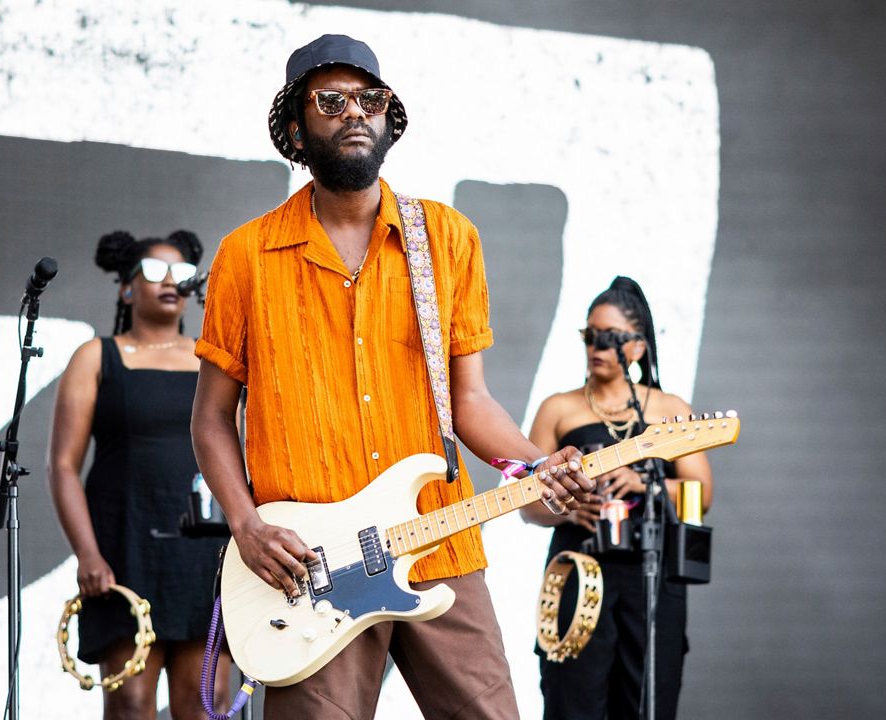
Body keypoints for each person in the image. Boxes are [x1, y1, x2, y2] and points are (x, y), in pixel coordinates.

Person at [190, 34, 594, 718]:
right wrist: (246, 524)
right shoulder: (246, 256)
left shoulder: (447, 239)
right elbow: (209, 420)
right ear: (296, 126)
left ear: (387, 120)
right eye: (332, 100)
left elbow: (469, 402)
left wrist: (534, 463)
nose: (355, 112)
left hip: (437, 543)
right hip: (311, 569)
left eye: (370, 99)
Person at [48, 229, 227, 720]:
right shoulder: (96, 356)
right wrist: (87, 555)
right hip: (125, 549)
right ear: (126, 288)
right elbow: (63, 465)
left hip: (205, 551)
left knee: (204, 704)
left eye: (180, 272)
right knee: (130, 702)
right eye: (153, 271)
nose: (169, 281)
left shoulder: (212, 357)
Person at [522, 276, 714, 719]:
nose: (597, 347)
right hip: (578, 572)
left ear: (638, 347)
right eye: (590, 336)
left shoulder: (670, 410)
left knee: (648, 699)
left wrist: (647, 483)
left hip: (650, 577)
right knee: (571, 699)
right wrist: (567, 505)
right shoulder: (559, 408)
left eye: (609, 338)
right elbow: (528, 505)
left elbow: (700, 496)